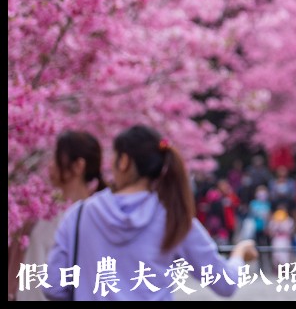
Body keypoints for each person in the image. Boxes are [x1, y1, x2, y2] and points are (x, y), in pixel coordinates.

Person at [43, 124, 257, 301]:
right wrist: (239, 254)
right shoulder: (174, 219)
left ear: (124, 161)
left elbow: (53, 286)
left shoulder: (79, 215)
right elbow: (225, 284)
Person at [9, 130, 105, 302]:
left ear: (78, 166)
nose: (50, 165)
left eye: (56, 158)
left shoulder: (93, 218)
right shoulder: (40, 210)